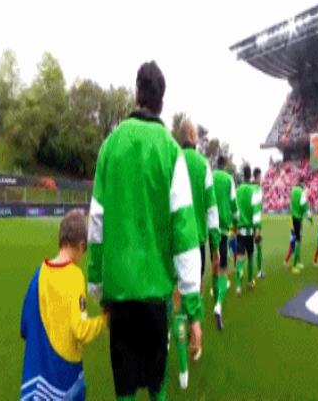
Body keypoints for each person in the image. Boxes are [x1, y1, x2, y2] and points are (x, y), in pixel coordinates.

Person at [87, 61, 203, 401]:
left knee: (124, 391)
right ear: (161, 101)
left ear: (136, 93)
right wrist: (193, 310)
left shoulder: (110, 146)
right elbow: (185, 234)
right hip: (156, 299)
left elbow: (96, 223)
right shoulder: (171, 150)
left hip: (120, 295)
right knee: (157, 389)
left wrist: (97, 286)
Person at [20, 210, 107, 400]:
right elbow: (80, 331)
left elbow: (25, 326)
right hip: (65, 376)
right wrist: (105, 320)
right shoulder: (74, 276)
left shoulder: (39, 273)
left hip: (37, 381)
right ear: (82, 245)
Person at [180, 119, 220, 284]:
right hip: (196, 241)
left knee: (176, 291)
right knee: (196, 289)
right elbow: (211, 209)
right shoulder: (203, 165)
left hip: (176, 241)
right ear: (191, 135)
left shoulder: (172, 159)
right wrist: (215, 245)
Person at [211, 154, 239, 329]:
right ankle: (218, 304)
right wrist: (235, 225)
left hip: (209, 227)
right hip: (222, 228)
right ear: (226, 164)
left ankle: (215, 294)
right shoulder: (228, 179)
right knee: (223, 268)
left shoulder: (210, 176)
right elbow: (234, 205)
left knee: (214, 263)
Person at [235, 165, 262, 296]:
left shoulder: (237, 190)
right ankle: (250, 281)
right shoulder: (253, 191)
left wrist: (234, 226)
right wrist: (257, 230)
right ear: (250, 175)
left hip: (239, 230)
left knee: (240, 258)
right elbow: (256, 212)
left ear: (242, 174)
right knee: (250, 256)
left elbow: (233, 209)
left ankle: (238, 287)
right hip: (250, 231)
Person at [287, 178, 313, 274]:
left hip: (294, 217)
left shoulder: (293, 191)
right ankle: (294, 266)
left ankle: (298, 262)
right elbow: (304, 205)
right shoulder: (301, 192)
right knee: (298, 241)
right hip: (298, 219)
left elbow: (293, 204)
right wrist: (310, 217)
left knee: (298, 240)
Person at [253, 167, 265, 279]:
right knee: (258, 246)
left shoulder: (249, 188)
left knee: (245, 248)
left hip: (246, 221)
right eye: (260, 176)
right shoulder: (258, 189)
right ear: (257, 177)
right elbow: (258, 206)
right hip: (255, 222)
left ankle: (240, 271)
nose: (261, 179)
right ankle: (259, 271)